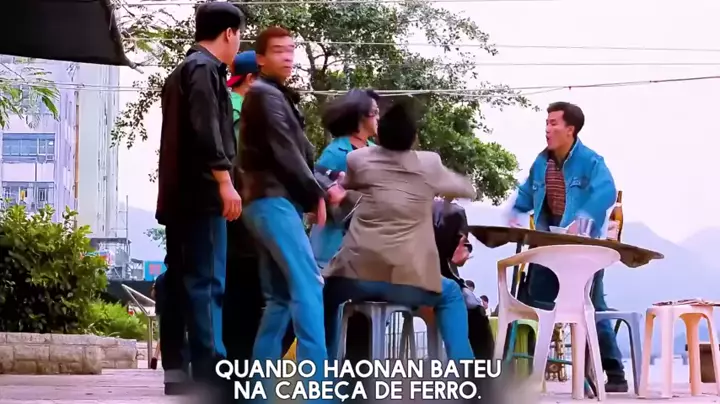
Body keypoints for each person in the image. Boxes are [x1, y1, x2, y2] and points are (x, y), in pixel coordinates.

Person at [322, 100, 476, 361]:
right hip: (410, 281)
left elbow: (347, 186)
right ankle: (467, 372)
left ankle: (323, 374)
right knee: (451, 294)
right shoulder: (429, 164)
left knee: (325, 296)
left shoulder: (357, 159)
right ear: (413, 138)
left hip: (354, 278)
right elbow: (467, 190)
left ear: (380, 135)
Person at [238, 26, 343, 369]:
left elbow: (293, 152)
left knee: (280, 299)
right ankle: (318, 387)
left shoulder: (274, 95)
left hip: (266, 204)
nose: (287, 57)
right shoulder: (265, 95)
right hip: (273, 202)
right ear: (260, 58)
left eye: (291, 50)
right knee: (309, 285)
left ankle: (260, 387)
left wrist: (314, 192)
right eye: (278, 50)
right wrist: (316, 196)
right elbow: (285, 152)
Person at [507, 101, 627, 392]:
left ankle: (613, 373)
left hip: (584, 248)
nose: (547, 129)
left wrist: (582, 219)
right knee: (533, 301)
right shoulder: (541, 162)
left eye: (553, 123)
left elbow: (606, 192)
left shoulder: (591, 161)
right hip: (549, 244)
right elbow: (527, 192)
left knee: (590, 305)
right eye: (546, 123)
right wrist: (516, 212)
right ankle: (527, 373)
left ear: (570, 129)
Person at [155, 2, 244, 394]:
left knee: (178, 280)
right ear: (229, 33)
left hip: (176, 197)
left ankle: (176, 370)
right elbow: (206, 128)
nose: (238, 42)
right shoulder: (206, 70)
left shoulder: (179, 72)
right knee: (207, 281)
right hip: (203, 195)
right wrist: (224, 181)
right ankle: (212, 371)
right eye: (239, 35)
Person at [222, 49, 296, 368]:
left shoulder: (233, 107)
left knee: (247, 292)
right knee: (250, 292)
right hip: (245, 212)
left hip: (243, 212)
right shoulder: (238, 112)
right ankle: (245, 369)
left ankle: (244, 369)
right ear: (251, 80)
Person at [309, 89, 379, 269]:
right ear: (361, 117)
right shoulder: (335, 152)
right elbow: (316, 191)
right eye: (375, 112)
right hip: (332, 248)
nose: (379, 118)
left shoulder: (376, 151)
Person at [431, 199, 494, 360]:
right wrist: (463, 245)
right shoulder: (447, 210)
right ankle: (479, 372)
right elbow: (458, 257)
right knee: (472, 307)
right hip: (428, 281)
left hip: (376, 281)